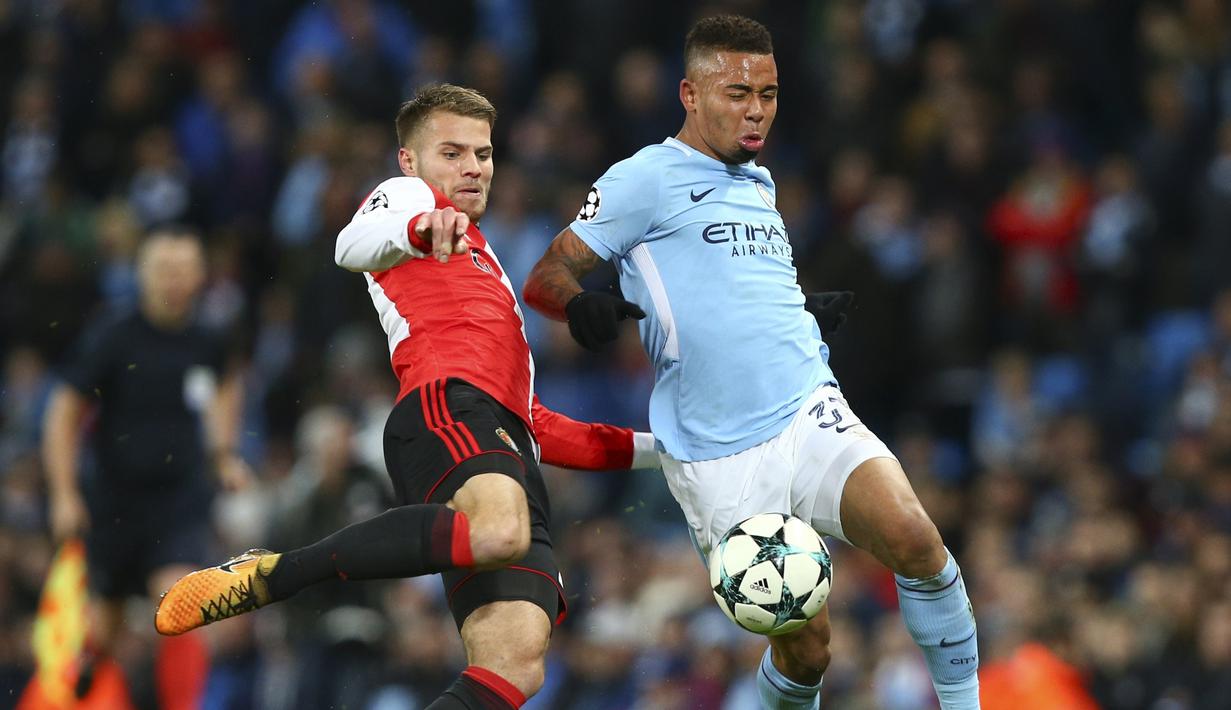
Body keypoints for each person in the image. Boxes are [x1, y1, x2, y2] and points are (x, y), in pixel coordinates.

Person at [523, 15, 981, 710]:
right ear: (689, 92)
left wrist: (794, 310)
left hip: (804, 406)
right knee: (807, 647)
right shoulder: (642, 178)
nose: (756, 110)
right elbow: (546, 275)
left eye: (767, 93)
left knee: (915, 538)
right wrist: (579, 305)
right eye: (737, 92)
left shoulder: (758, 184)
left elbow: (728, 280)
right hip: (715, 458)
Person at [155, 83, 658, 709]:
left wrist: (666, 449)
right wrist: (422, 225)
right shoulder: (408, 203)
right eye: (453, 152)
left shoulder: (489, 268)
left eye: (484, 153)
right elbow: (350, 245)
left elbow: (538, 425)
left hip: (503, 440)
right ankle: (278, 574)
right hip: (445, 407)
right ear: (410, 160)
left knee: (517, 663)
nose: (473, 167)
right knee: (500, 530)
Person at [42, 226, 251, 710]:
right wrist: (63, 493)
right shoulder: (113, 335)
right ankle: (90, 671)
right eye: (163, 270)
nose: (173, 281)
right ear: (141, 276)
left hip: (179, 498)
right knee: (103, 626)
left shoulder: (210, 337)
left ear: (200, 276)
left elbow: (228, 385)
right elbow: (64, 411)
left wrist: (223, 454)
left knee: (179, 603)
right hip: (115, 499)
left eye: (183, 271)